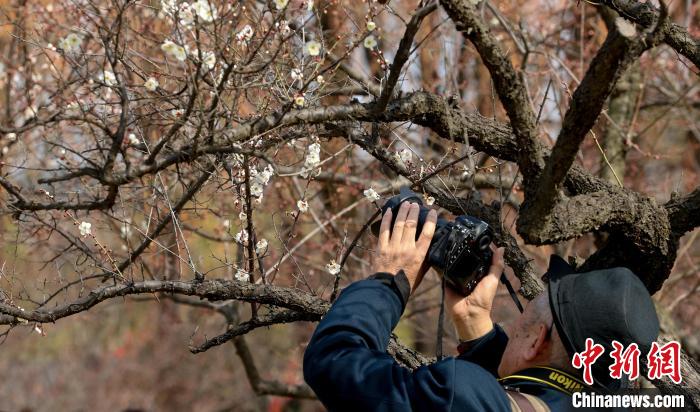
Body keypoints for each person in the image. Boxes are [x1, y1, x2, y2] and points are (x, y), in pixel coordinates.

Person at [303, 201, 660, 411]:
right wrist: (477, 332)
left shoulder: (460, 396)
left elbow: (334, 364)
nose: (518, 320)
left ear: (537, 340)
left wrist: (388, 283)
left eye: (529, 311)